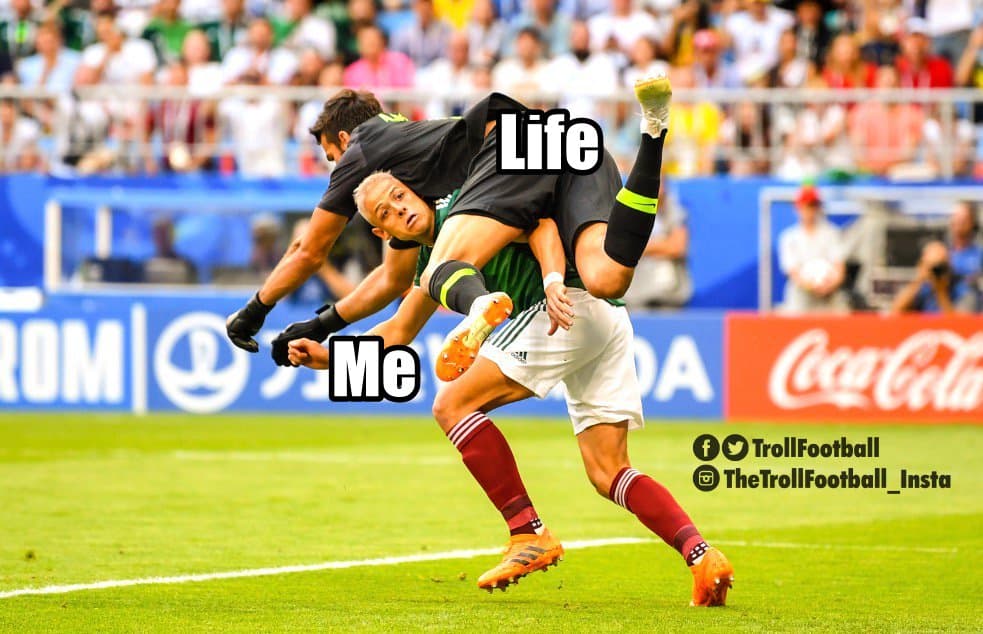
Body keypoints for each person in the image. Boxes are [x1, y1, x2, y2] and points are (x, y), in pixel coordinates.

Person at [285, 171, 734, 605]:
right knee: (608, 471)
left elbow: (538, 224)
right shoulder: (433, 263)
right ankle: (703, 557)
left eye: (400, 196)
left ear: (416, 191)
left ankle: (527, 532)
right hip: (603, 316)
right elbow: (398, 331)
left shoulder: (462, 209)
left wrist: (552, 280)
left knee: (452, 405)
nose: (399, 209)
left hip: (561, 305)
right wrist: (328, 357)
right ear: (383, 234)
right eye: (385, 212)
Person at [229, 78, 672, 382]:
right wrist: (322, 331)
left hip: (510, 147)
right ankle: (653, 135)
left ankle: (478, 305)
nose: (337, 172)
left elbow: (309, 250)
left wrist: (255, 310)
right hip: (565, 151)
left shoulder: (362, 153)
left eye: (332, 158)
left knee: (442, 268)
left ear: (342, 141)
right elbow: (392, 284)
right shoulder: (412, 170)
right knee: (608, 277)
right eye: (387, 211)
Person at [777, 185, 848, 313]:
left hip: (830, 291)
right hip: (802, 294)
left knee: (842, 307)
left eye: (812, 206)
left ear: (818, 207)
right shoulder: (789, 237)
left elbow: (839, 267)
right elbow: (792, 271)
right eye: (805, 206)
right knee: (795, 305)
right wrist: (811, 285)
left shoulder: (832, 233)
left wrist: (829, 284)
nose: (808, 211)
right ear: (797, 208)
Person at [891, 240, 978, 314]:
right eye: (933, 267)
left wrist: (941, 292)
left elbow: (959, 324)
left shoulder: (962, 290)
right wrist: (920, 279)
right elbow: (895, 313)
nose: (937, 271)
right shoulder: (920, 289)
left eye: (941, 266)